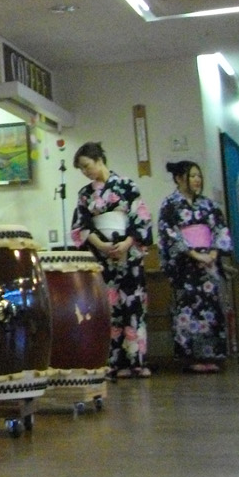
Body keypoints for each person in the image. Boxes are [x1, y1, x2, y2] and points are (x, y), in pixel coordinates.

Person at [69, 142, 155, 378]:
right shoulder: (85, 195)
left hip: (128, 253)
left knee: (133, 306)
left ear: (99, 160)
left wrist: (127, 243)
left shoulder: (127, 185)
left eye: (87, 166)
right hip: (102, 255)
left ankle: (136, 360)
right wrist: (101, 245)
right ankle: (114, 362)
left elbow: (141, 218)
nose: (86, 172)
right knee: (109, 309)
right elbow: (81, 227)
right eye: (82, 169)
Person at [157, 160, 232, 372]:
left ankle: (213, 355)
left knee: (212, 306)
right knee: (188, 308)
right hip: (186, 265)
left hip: (209, 262)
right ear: (179, 178)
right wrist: (193, 254)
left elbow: (220, 229)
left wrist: (214, 252)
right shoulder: (170, 204)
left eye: (199, 176)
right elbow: (168, 233)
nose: (197, 180)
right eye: (192, 176)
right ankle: (192, 357)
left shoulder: (209, 205)